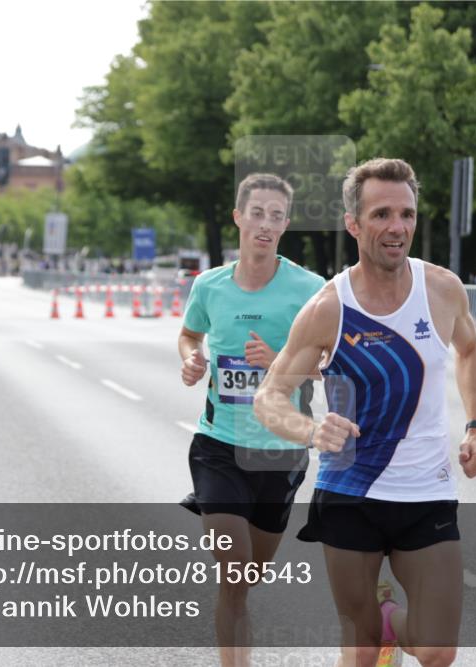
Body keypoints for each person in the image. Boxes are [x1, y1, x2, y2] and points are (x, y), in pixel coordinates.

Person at [254, 158, 476, 667]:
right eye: (382, 214)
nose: (397, 227)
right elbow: (269, 396)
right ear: (354, 224)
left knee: (437, 649)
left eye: (407, 214)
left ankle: (386, 621)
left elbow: (470, 349)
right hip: (350, 494)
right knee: (360, 652)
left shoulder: (442, 289)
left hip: (427, 492)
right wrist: (312, 430)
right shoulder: (328, 308)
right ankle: (371, 631)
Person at [178, 173, 326, 667]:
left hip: (280, 451)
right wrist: (191, 358)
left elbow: (331, 364)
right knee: (235, 572)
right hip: (218, 445)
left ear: (285, 225)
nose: (265, 224)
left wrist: (280, 362)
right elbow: (189, 334)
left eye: (276, 216)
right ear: (238, 217)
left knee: (250, 575)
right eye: (257, 213)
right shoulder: (209, 285)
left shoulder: (310, 290)